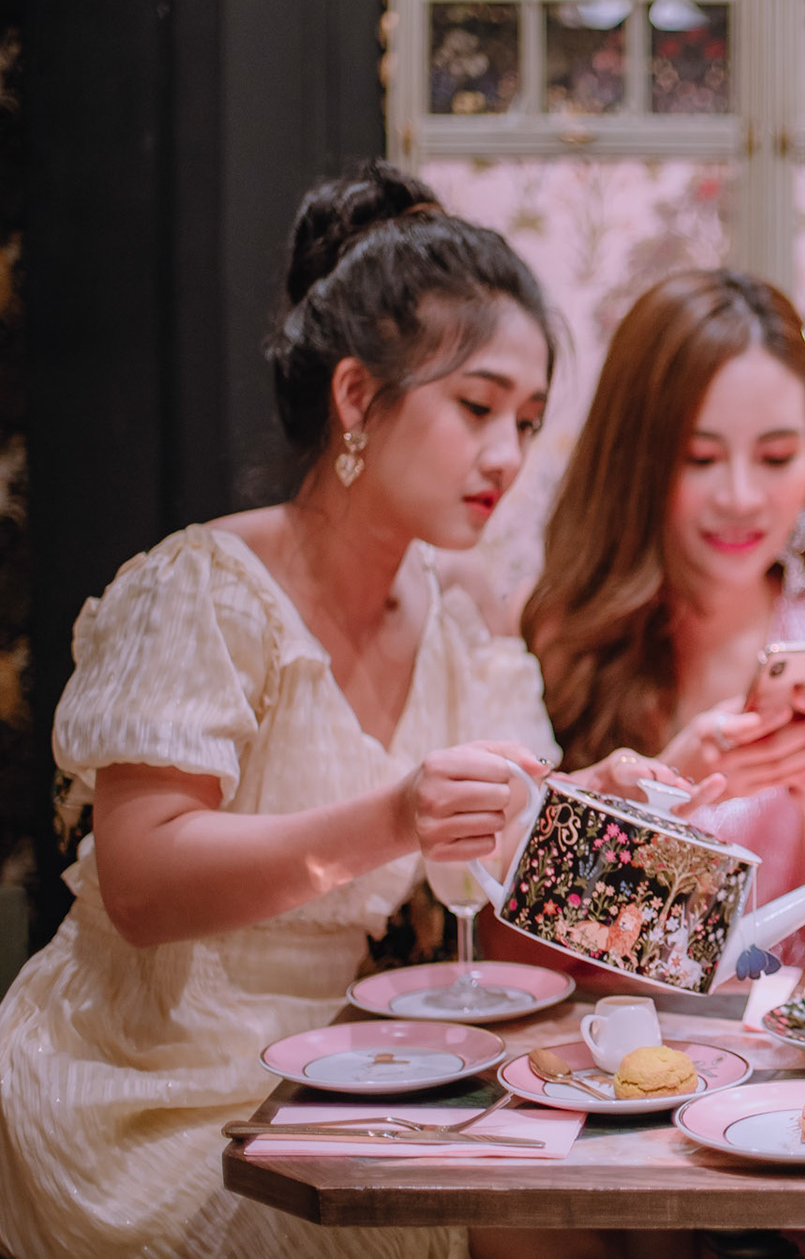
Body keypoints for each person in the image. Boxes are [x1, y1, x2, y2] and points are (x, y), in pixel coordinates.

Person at [0, 162, 702, 1259]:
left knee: (599, 1200)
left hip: (353, 1077)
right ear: (357, 397)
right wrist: (392, 818)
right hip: (141, 1098)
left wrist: (608, 806)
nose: (509, 456)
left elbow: (512, 876)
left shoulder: (460, 619)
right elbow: (138, 884)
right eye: (478, 408)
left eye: (527, 420)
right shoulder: (205, 586)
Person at [522, 270, 805, 952]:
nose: (741, 496)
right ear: (635, 461)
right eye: (700, 458)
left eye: (776, 456)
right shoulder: (556, 636)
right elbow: (519, 951)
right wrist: (669, 793)